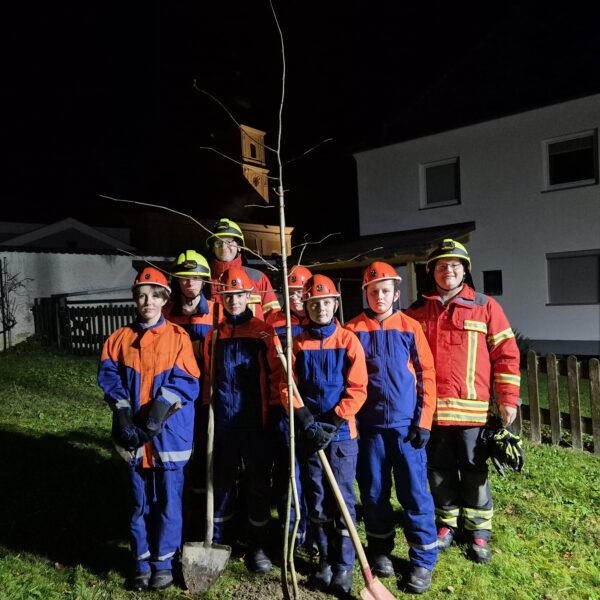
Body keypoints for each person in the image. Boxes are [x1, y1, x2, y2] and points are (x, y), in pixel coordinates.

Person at [406, 239, 521, 564]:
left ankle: (479, 531)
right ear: (432, 272)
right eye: (441, 266)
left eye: (454, 265)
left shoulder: (486, 307)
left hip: (472, 412)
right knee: (439, 471)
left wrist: (508, 398)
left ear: (464, 270)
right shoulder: (417, 311)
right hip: (433, 413)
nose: (448, 271)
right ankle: (447, 524)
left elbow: (507, 355)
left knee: (474, 472)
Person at [98, 267, 200, 591]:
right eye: (142, 295)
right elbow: (109, 378)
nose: (147, 301)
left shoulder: (179, 338)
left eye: (154, 295)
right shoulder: (118, 340)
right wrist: (125, 415)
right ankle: (141, 563)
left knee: (170, 503)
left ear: (164, 299)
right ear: (135, 300)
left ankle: (164, 565)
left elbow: (186, 381)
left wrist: (156, 414)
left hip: (169, 436)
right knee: (139, 503)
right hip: (133, 439)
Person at [345, 262, 438, 594]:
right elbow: (346, 380)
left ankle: (423, 560)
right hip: (369, 428)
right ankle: (381, 550)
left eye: (385, 290)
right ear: (365, 294)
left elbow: (427, 375)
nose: (380, 296)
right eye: (373, 291)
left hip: (406, 428)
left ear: (396, 293)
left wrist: (423, 421)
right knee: (373, 492)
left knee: (414, 492)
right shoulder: (352, 328)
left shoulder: (411, 327)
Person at [283, 274, 368, 596]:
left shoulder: (348, 341)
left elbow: (358, 389)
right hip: (309, 433)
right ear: (306, 306)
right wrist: (305, 420)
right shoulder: (297, 343)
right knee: (316, 500)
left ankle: (345, 566)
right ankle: (324, 562)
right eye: (314, 304)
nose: (320, 308)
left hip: (342, 435)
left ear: (335, 304)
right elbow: (285, 385)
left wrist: (332, 422)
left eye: (326, 303)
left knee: (343, 501)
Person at [203, 267, 283, 574]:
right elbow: (210, 378)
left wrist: (275, 410)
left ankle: (258, 545)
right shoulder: (214, 335)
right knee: (222, 483)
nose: (233, 301)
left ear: (248, 296)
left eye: (238, 295)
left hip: (255, 423)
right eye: (227, 296)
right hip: (222, 425)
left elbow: (278, 375)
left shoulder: (264, 332)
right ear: (221, 298)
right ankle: (220, 541)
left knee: (258, 484)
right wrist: (208, 409)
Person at [162, 250, 217, 538]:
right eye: (185, 279)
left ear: (204, 281)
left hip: (208, 397)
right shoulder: (166, 314)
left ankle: (205, 517)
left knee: (206, 456)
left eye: (196, 278)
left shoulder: (215, 313)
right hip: (176, 399)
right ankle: (181, 515)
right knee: (179, 456)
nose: (190, 284)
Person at [267, 265, 312, 550]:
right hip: (282, 407)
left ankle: (316, 529)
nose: (295, 298)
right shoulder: (272, 322)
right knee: (287, 475)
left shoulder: (321, 318)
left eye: (301, 292)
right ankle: (292, 532)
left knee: (313, 475)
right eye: (290, 292)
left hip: (313, 410)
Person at [206, 217, 280, 320]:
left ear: (239, 246)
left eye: (229, 242)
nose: (223, 247)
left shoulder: (258, 278)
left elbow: (274, 318)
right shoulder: (203, 281)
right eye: (218, 243)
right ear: (212, 249)